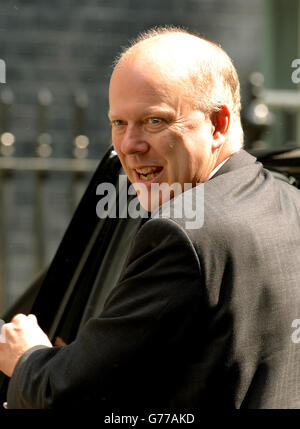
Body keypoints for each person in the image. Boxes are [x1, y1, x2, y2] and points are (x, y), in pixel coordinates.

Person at [1, 26, 300, 409]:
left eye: (154, 121)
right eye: (119, 123)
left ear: (218, 124)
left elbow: (72, 392)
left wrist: (27, 359)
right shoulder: (290, 201)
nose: (129, 145)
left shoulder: (183, 232)